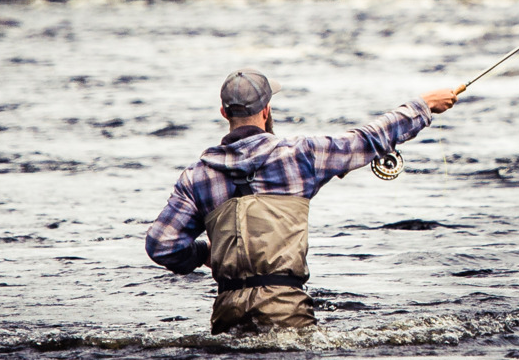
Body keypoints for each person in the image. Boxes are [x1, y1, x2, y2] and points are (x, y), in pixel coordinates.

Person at [144, 70, 460, 333]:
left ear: (224, 113)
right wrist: (423, 106)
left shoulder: (196, 177)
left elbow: (162, 246)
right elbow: (367, 139)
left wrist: (204, 253)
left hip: (227, 315)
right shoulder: (300, 156)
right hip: (288, 313)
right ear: (266, 110)